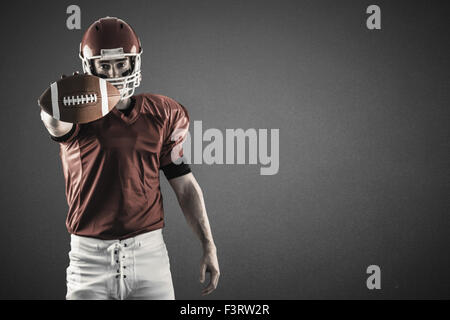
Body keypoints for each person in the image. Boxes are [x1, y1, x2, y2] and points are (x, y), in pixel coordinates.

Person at [39, 16, 220, 300]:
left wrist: (208, 244)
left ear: (134, 62)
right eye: (105, 65)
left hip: (149, 256)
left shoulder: (163, 113)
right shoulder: (77, 114)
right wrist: (57, 103)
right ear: (90, 68)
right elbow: (54, 123)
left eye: (121, 63)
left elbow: (184, 185)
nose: (114, 73)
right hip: (89, 260)